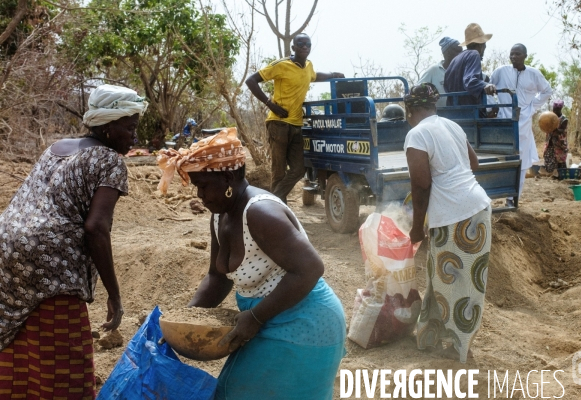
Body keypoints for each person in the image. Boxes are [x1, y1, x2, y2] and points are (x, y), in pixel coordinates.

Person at [156, 128, 346, 399]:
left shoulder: (259, 212)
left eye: (204, 186)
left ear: (228, 177)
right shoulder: (220, 215)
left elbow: (310, 269)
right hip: (270, 320)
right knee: (232, 391)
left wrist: (256, 317)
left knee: (236, 392)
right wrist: (183, 321)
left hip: (306, 324)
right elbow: (217, 277)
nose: (200, 195)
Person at [0, 84, 147, 398]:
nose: (134, 138)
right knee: (66, 357)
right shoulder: (110, 161)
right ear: (108, 126)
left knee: (22, 340)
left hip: (6, 247)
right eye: (130, 128)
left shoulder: (57, 147)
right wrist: (115, 297)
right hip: (52, 260)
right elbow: (96, 228)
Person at [403, 83, 491, 363]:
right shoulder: (451, 125)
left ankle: (457, 348)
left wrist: (417, 227)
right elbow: (473, 164)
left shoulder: (417, 134)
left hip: (454, 215)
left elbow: (421, 185)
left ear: (411, 110)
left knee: (451, 283)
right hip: (479, 208)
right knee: (457, 281)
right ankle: (430, 336)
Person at [245, 33, 345, 203]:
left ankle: (273, 200)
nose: (305, 46)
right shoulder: (281, 65)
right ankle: (277, 209)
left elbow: (314, 76)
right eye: (301, 44)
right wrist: (270, 104)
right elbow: (251, 80)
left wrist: (332, 74)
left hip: (296, 124)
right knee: (279, 170)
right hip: (278, 123)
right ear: (293, 47)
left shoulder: (308, 66)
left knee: (299, 169)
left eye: (308, 44)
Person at [491, 43, 552, 205]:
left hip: (523, 122)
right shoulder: (501, 71)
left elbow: (547, 91)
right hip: (503, 122)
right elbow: (488, 87)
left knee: (522, 161)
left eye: (517, 54)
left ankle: (513, 198)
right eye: (511, 54)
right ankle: (498, 193)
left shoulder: (534, 74)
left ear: (525, 56)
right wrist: (494, 107)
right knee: (501, 158)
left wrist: (531, 108)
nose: (513, 57)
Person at [444, 23, 496, 110]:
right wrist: (485, 85)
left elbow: (446, 85)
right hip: (470, 111)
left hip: (453, 112)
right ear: (481, 45)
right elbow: (470, 82)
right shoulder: (474, 54)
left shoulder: (455, 59)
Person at [418, 36, 463, 108]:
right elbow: (417, 90)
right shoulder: (433, 70)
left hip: (462, 113)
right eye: (458, 51)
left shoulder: (464, 69)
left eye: (462, 51)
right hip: (439, 115)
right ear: (448, 53)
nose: (461, 54)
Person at [543, 99, 569, 173]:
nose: (555, 111)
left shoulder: (564, 119)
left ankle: (561, 174)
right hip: (550, 142)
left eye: (557, 109)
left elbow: (561, 130)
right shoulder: (549, 117)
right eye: (554, 109)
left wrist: (552, 127)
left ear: (560, 109)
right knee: (548, 157)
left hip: (560, 143)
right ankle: (551, 173)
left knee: (560, 159)